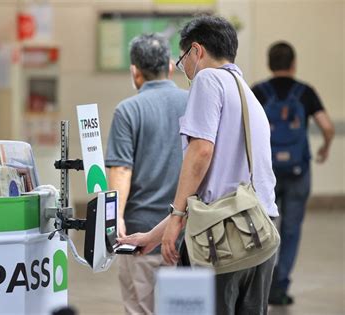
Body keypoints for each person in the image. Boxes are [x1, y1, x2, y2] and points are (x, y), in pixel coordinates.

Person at [119, 16, 279, 315]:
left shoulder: (208, 79)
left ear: (197, 51)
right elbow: (217, 194)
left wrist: (176, 219)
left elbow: (201, 153)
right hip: (260, 236)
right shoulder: (247, 93)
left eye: (183, 61)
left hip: (222, 241)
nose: (185, 71)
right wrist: (152, 237)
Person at [105, 33, 188, 315]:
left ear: (134, 72)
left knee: (142, 309)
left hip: (141, 235)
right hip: (188, 234)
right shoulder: (194, 103)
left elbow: (121, 169)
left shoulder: (128, 110)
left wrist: (114, 216)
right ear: (170, 65)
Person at [251, 42, 334, 305]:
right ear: (294, 63)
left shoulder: (259, 92)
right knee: (291, 228)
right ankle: (281, 285)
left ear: (269, 63)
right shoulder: (305, 92)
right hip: (298, 171)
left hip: (266, 172)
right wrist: (324, 148)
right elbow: (328, 127)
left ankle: (261, 285)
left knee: (262, 228)